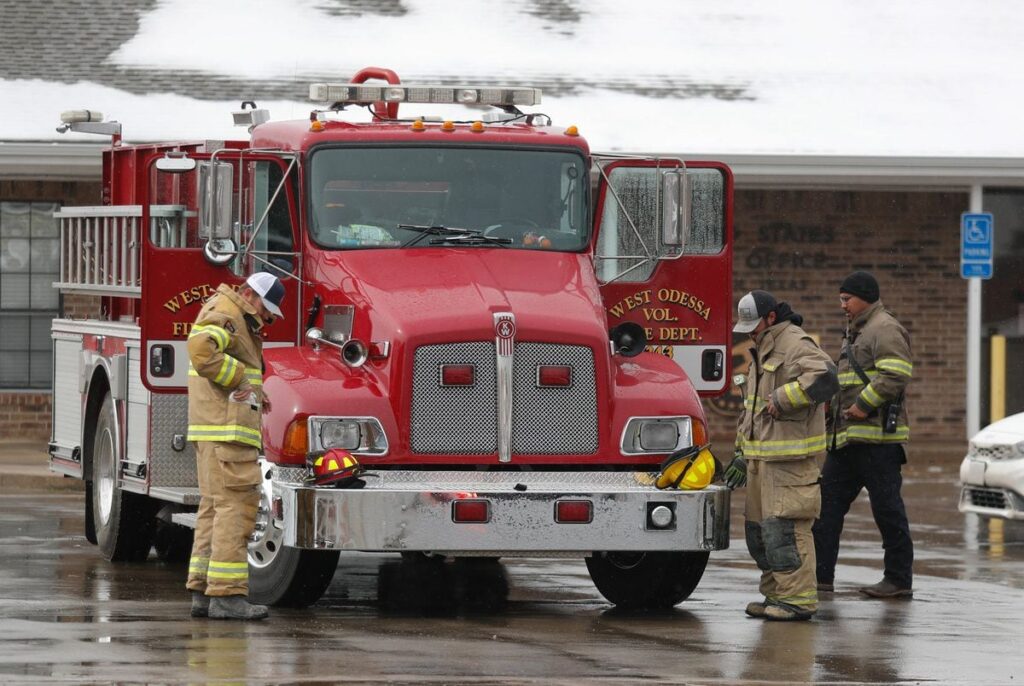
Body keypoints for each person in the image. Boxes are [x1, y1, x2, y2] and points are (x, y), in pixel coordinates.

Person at [725, 290, 839, 621]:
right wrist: (741, 453)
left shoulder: (794, 343)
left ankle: (798, 600)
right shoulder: (764, 348)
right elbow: (753, 410)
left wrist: (786, 397)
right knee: (761, 533)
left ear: (771, 318)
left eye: (754, 325)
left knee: (786, 531)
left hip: (789, 464)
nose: (749, 332)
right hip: (763, 462)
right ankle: (776, 594)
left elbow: (827, 376)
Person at [184, 272, 285, 620]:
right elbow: (200, 350)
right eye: (267, 309)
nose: (268, 318)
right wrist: (242, 379)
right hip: (226, 432)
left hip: (216, 430)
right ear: (250, 295)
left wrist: (255, 391)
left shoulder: (230, 311)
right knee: (236, 509)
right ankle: (226, 597)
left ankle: (202, 590)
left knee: (213, 509)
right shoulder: (227, 312)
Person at [813, 271, 914, 598]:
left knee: (887, 510)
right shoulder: (858, 331)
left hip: (876, 443)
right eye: (841, 299)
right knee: (825, 508)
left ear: (865, 297)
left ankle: (898, 580)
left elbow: (896, 374)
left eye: (847, 299)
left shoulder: (883, 328)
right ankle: (819, 578)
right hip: (846, 441)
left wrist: (862, 405)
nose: (842, 305)